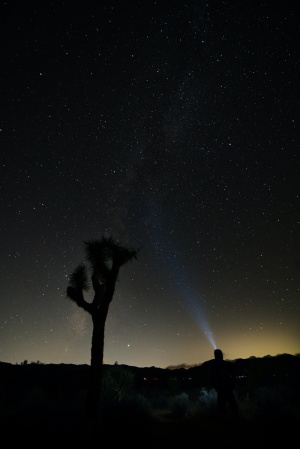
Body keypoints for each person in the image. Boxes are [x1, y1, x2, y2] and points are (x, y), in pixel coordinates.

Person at [211, 348, 239, 416]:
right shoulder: (225, 365)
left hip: (224, 388)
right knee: (230, 406)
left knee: (224, 407)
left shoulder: (216, 366)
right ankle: (235, 420)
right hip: (225, 388)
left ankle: (231, 420)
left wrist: (216, 387)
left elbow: (214, 378)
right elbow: (233, 375)